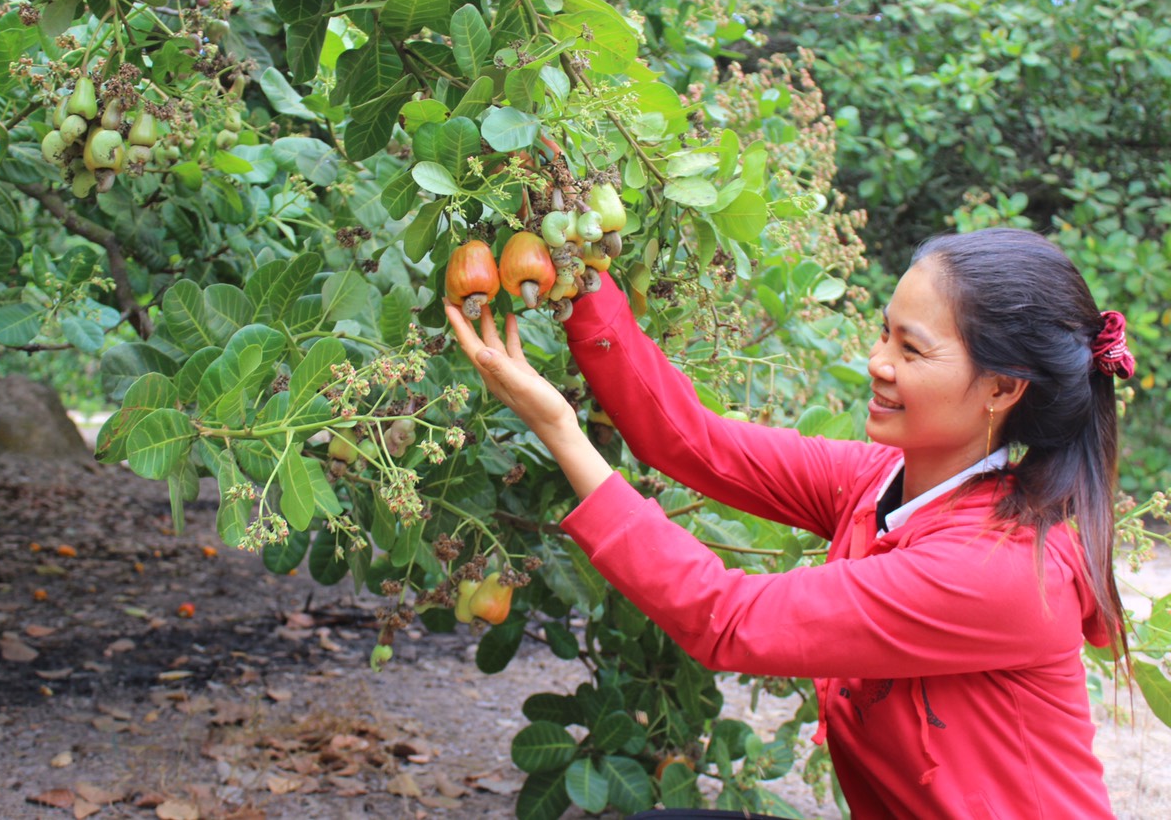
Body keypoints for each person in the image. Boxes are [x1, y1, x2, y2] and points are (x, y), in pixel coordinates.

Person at [444, 227, 1134, 818]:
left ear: (1003, 389)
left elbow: (730, 619)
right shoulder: (879, 479)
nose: (877, 363)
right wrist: (579, 280)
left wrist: (562, 431)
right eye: (883, 333)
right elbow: (690, 442)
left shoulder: (1004, 572)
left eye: (912, 351)